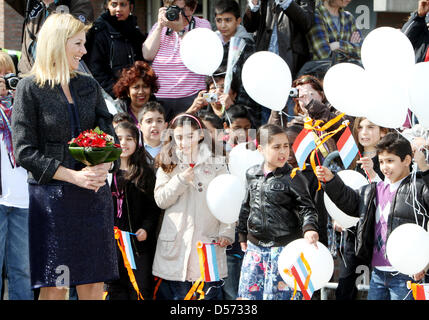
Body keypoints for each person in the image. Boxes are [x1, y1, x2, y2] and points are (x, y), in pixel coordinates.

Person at [11, 13, 118, 300]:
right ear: (58, 43)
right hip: (52, 202)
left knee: (94, 284)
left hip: (94, 198)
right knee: (57, 285)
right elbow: (24, 151)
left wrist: (104, 165)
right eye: (79, 43)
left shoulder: (90, 85)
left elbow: (110, 136)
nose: (84, 51)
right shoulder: (29, 88)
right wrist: (74, 176)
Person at [315, 132, 429, 300]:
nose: (384, 167)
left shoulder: (419, 188)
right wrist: (332, 181)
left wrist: (423, 263)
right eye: (381, 162)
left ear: (406, 160)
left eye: (390, 161)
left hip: (407, 274)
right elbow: (350, 202)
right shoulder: (374, 189)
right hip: (378, 273)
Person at [152, 113, 234, 300]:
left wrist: (226, 231)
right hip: (176, 246)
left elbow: (228, 200)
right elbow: (161, 200)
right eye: (179, 137)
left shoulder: (217, 163)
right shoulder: (168, 163)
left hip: (208, 244)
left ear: (200, 135)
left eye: (190, 136)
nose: (184, 142)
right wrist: (180, 180)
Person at [237, 124, 319, 300]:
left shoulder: (294, 177)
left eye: (286, 146)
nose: (283, 152)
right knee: (249, 297)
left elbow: (307, 208)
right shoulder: (252, 174)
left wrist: (309, 227)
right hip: (255, 248)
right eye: (276, 147)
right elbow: (246, 205)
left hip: (284, 249)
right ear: (260, 149)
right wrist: (242, 234)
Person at [334, 117, 388, 300]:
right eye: (361, 127)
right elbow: (341, 192)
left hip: (382, 233)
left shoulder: (388, 160)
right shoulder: (350, 160)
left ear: (383, 131)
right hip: (354, 234)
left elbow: (390, 194)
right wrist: (338, 216)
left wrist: (374, 172)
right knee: (346, 286)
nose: (364, 132)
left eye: (371, 127)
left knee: (382, 285)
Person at [107, 121, 160, 300]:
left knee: (140, 289)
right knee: (115, 290)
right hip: (110, 244)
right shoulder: (104, 171)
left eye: (129, 138)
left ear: (137, 142)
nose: (123, 143)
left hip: (137, 244)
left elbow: (153, 208)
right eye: (119, 138)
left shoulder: (144, 172)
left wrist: (146, 227)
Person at [243, 0, 315, 123]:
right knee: (269, 121)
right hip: (265, 68)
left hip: (291, 67)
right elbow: (249, 26)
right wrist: (254, 5)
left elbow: (307, 22)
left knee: (291, 119)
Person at [143, 0, 211, 122]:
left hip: (191, 96)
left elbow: (199, 56)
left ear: (193, 8)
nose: (179, 14)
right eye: (175, 8)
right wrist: (159, 26)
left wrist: (180, 30)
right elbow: (147, 54)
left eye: (183, 9)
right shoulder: (161, 27)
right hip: (160, 97)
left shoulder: (202, 25)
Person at [0, 53, 33, 300]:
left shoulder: (23, 105)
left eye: (6, 76)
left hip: (23, 198)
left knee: (22, 269)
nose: (2, 82)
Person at [5, 0, 94, 75]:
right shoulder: (31, 2)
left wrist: (50, 5)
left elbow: (74, 30)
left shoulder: (79, 3)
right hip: (29, 73)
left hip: (62, 76)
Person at [214, 0, 263, 127]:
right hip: (216, 105)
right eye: (219, 20)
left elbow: (248, 81)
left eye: (228, 20)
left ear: (238, 20)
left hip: (243, 109)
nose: (223, 25)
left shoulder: (247, 44)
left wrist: (234, 104)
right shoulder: (213, 43)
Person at [84, 0, 147, 98]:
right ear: (107, 6)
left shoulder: (135, 32)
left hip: (135, 95)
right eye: (114, 4)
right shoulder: (98, 32)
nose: (118, 9)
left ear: (131, 7)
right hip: (111, 97)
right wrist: (117, 92)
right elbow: (96, 70)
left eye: (123, 5)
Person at [112, 61, 159, 126]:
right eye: (136, 87)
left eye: (145, 86)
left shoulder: (160, 111)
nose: (141, 92)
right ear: (128, 91)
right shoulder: (117, 110)